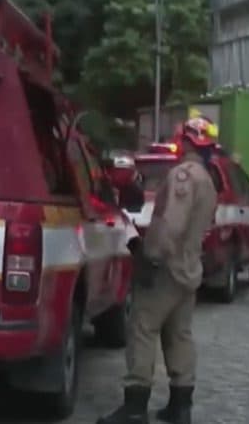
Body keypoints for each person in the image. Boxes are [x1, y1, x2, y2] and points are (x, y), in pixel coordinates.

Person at [98, 117, 218, 424]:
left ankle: (135, 407)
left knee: (143, 328)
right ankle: (181, 406)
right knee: (179, 335)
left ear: (188, 141)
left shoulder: (183, 176)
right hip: (189, 267)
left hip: (166, 266)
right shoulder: (207, 178)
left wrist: (149, 255)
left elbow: (172, 223)